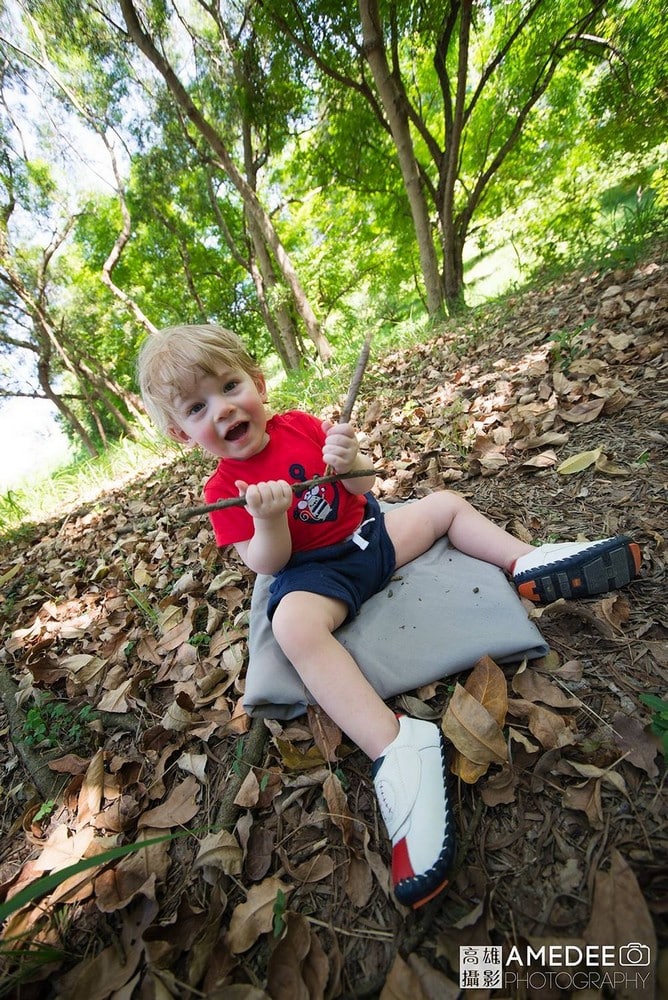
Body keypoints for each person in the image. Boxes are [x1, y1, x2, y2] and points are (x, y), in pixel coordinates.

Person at [137, 323, 641, 909]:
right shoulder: (223, 486)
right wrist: (270, 520)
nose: (222, 408)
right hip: (314, 574)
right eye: (199, 407)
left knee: (446, 506)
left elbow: (362, 487)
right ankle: (398, 746)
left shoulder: (300, 425)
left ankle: (527, 563)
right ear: (181, 432)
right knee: (293, 625)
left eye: (229, 386)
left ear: (258, 382)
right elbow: (263, 564)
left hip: (370, 536)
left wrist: (351, 460)